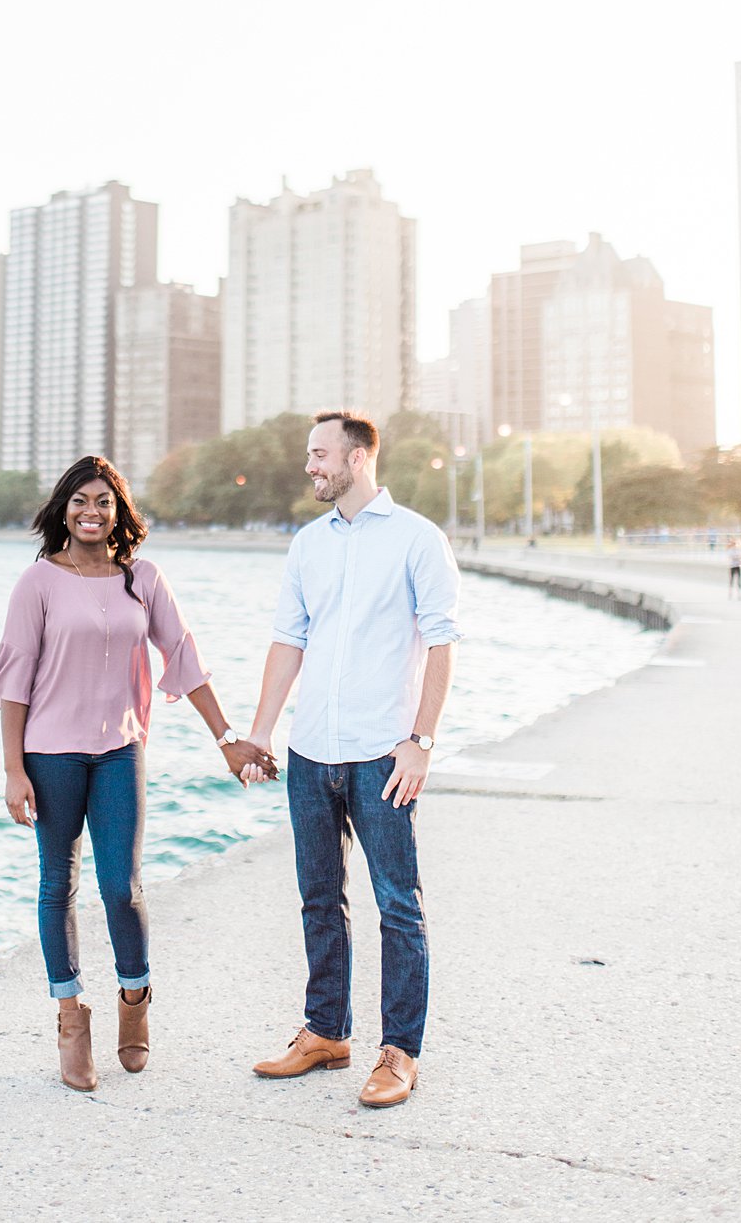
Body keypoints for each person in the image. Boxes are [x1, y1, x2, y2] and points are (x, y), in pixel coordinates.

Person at [0, 454, 276, 1093]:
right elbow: (14, 681)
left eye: (104, 501)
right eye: (80, 501)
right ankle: (70, 1021)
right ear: (63, 508)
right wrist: (12, 770)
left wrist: (226, 737)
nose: (91, 512)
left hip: (120, 750)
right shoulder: (38, 582)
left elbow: (184, 655)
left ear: (120, 512)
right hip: (50, 754)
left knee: (123, 886)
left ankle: (134, 999)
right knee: (57, 883)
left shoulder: (142, 579)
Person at [244, 410, 460, 1108]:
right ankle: (326, 1032)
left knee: (398, 905)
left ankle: (400, 1051)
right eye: (310, 456)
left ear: (359, 457)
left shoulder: (417, 540)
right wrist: (261, 732)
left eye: (320, 454)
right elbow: (288, 641)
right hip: (312, 753)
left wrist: (420, 742)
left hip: (381, 755)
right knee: (318, 899)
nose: (310, 466)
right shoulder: (307, 544)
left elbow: (442, 643)